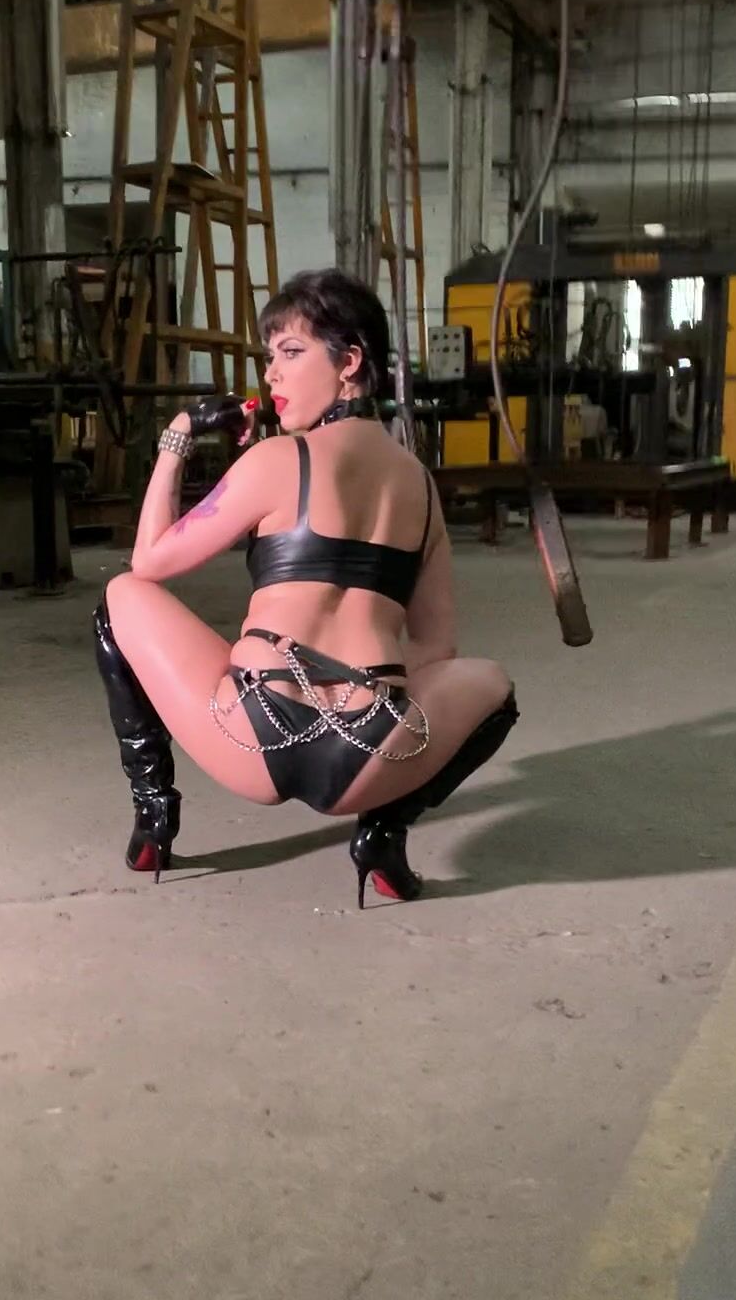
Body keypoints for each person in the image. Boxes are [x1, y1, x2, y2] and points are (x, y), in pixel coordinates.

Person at [92, 268, 518, 907]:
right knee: (494, 687)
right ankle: (384, 832)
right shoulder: (420, 487)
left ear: (349, 362)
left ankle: (155, 813)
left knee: (121, 596)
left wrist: (178, 435)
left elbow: (149, 560)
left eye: (291, 353)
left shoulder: (276, 459)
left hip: (252, 735)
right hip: (372, 753)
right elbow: (436, 649)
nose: (271, 375)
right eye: (270, 357)